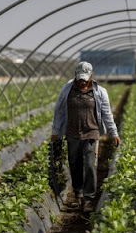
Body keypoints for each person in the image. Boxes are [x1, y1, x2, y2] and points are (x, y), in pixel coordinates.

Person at [51, 61, 121, 213]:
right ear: (75, 76)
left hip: (91, 134)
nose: (82, 81)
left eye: (85, 78)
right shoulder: (67, 90)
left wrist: (113, 132)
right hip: (72, 134)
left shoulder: (99, 92)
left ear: (91, 76)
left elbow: (107, 114)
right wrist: (55, 132)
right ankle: (78, 195)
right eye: (79, 78)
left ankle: (88, 200)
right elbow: (59, 112)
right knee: (75, 165)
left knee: (90, 166)